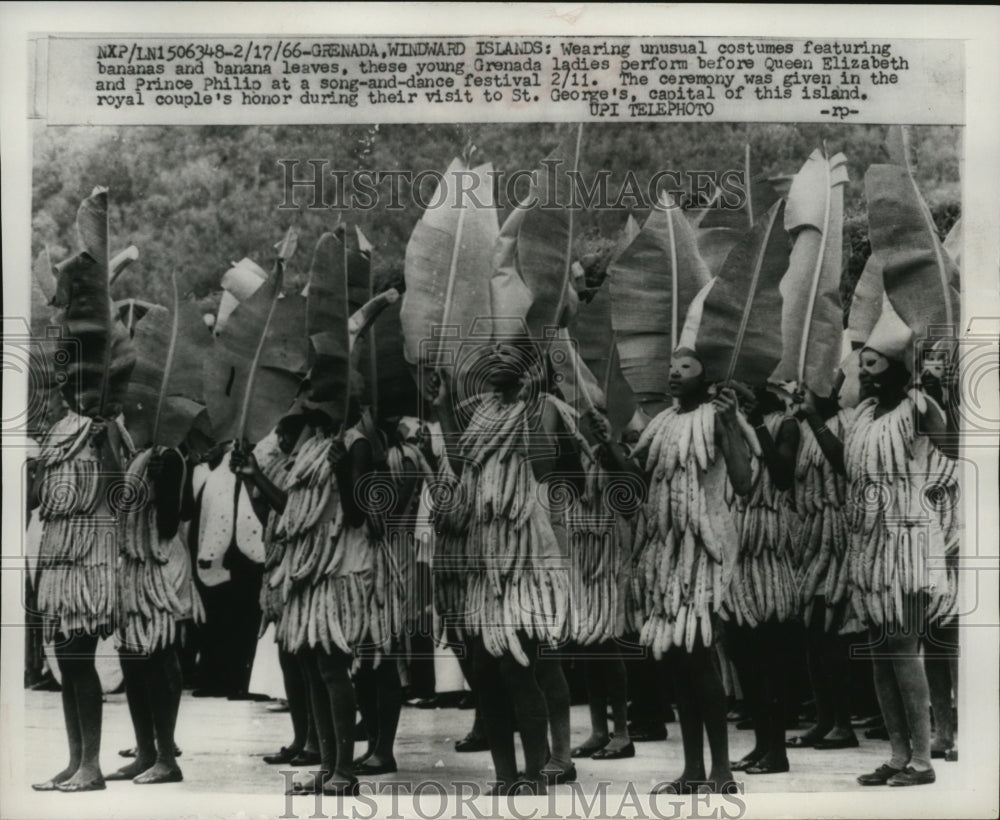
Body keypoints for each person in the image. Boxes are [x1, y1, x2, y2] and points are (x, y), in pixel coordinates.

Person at [430, 334, 584, 795]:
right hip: (484, 560)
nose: (495, 357)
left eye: (506, 352)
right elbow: (462, 466)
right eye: (491, 351)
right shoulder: (478, 410)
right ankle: (504, 775)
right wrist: (442, 410)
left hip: (528, 560)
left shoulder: (547, 408)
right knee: (484, 673)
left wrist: (535, 398)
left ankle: (536, 772)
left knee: (520, 668)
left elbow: (541, 465)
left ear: (527, 364)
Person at [811, 328, 952, 787]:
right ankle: (897, 755)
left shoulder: (918, 407)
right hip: (871, 543)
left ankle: (923, 761)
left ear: (896, 366)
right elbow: (847, 465)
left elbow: (954, 451)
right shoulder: (865, 415)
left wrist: (938, 397)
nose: (864, 373)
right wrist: (815, 422)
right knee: (881, 654)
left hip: (908, 538)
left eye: (873, 364)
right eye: (862, 365)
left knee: (904, 650)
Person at [232, 400, 373, 797]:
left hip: (340, 567)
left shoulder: (356, 444)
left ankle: (344, 768)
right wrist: (254, 476)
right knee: (312, 667)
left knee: (331, 668)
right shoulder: (313, 446)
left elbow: (358, 514)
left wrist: (344, 470)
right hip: (306, 568)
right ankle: (327, 766)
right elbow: (290, 512)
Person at [629, 348, 753, 795]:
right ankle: (693, 769)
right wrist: (603, 444)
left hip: (705, 547)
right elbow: (636, 480)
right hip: (665, 549)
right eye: (671, 365)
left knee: (699, 656)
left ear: (708, 376)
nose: (674, 372)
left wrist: (728, 425)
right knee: (680, 662)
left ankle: (722, 771)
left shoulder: (718, 419)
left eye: (686, 366)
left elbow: (744, 482)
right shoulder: (661, 423)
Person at [32, 412, 133, 792]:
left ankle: (90, 765)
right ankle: (75, 761)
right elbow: (34, 498)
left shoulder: (109, 428)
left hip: (92, 555)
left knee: (79, 656)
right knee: (64, 659)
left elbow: (118, 493)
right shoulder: (60, 429)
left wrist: (104, 442)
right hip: (58, 552)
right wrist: (44, 462)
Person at [108, 445, 202, 784]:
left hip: (161, 562)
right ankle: (145, 752)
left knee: (160, 653)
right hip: (136, 562)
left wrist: (165, 483)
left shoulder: (171, 455)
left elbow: (170, 522)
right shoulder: (139, 453)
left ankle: (166, 758)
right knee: (131, 656)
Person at [238, 414, 321, 767]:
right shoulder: (284, 466)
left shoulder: (308, 467)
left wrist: (256, 475)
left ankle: (317, 742)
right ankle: (301, 737)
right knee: (290, 661)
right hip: (278, 566)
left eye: (289, 437)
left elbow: (290, 510)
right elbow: (268, 515)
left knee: (308, 664)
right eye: (282, 437)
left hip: (300, 567)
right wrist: (247, 480)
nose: (285, 443)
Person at [726, 386, 801, 775]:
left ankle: (778, 751)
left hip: (768, 554)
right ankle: (760, 744)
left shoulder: (786, 425)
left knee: (770, 658)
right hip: (737, 554)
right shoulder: (728, 425)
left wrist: (756, 425)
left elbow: (783, 475)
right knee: (744, 658)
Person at [353, 413, 429, 776]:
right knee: (364, 661)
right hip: (365, 562)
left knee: (385, 657)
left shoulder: (409, 458)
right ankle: (371, 743)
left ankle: (384, 748)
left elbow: (386, 516)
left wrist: (375, 467)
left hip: (395, 561)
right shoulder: (362, 450)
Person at [786, 391, 859, 752]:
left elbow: (845, 464)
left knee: (831, 631)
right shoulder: (799, 428)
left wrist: (813, 419)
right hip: (811, 537)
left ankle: (843, 724)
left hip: (841, 535)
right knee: (813, 633)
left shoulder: (847, 422)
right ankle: (825, 718)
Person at [569, 410, 641, 761]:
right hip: (583, 555)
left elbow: (632, 492)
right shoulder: (580, 457)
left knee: (608, 642)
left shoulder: (622, 454)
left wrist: (606, 443)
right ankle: (598, 729)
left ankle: (623, 733)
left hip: (611, 556)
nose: (593, 423)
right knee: (587, 644)